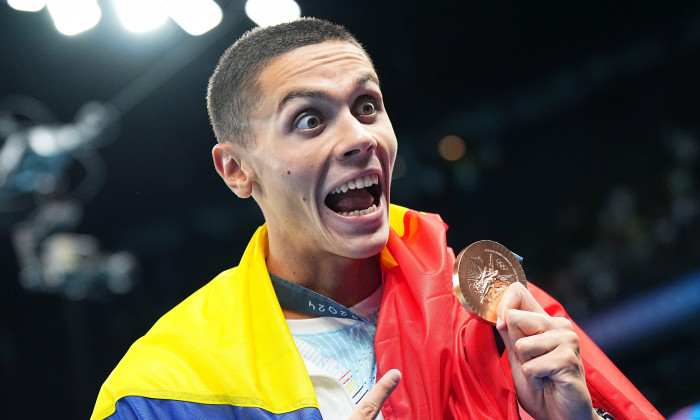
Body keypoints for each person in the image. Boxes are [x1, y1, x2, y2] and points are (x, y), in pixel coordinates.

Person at [91, 18, 663, 420]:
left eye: (367, 106)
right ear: (237, 170)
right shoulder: (166, 385)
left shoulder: (499, 314)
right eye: (309, 120)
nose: (359, 138)